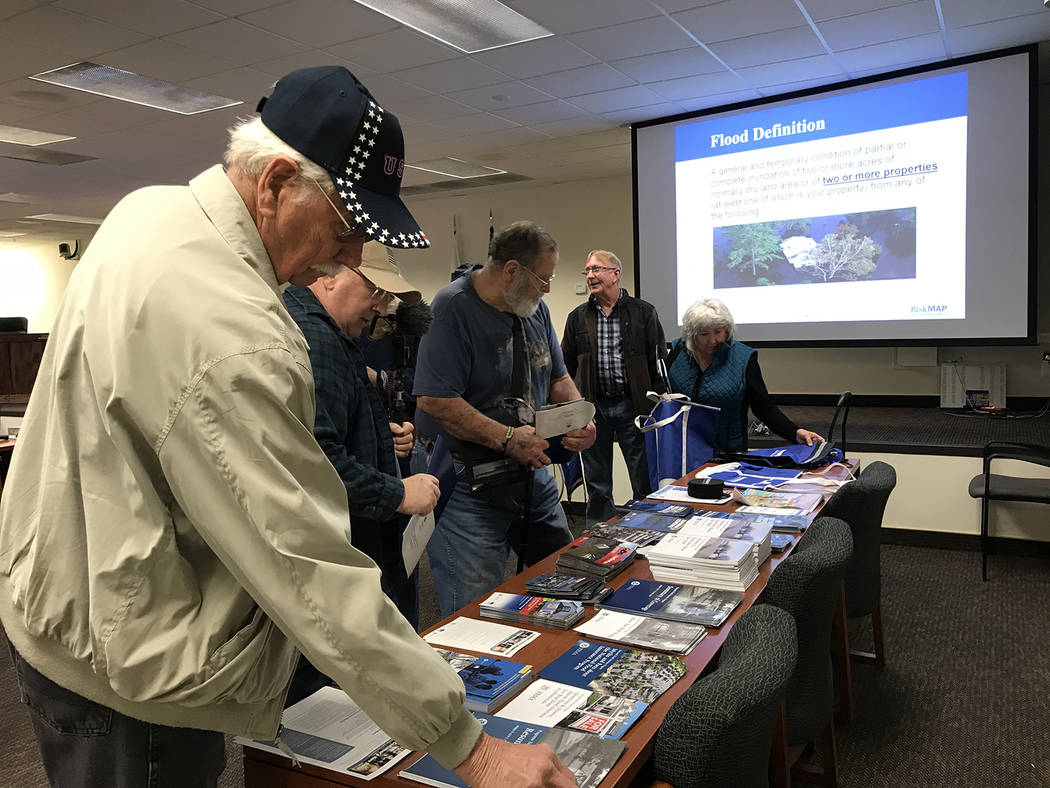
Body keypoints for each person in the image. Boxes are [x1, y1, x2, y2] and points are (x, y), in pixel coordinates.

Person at [0, 66, 574, 788]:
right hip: (130, 667)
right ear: (274, 184)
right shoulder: (235, 330)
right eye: (344, 229)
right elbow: (307, 567)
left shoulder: (147, 211)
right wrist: (474, 750)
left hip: (64, 605)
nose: (352, 258)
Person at [414, 221, 596, 617]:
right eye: (542, 278)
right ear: (512, 270)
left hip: (528, 475)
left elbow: (558, 377)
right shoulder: (452, 309)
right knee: (475, 609)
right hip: (467, 483)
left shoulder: (534, 310)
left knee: (568, 582)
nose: (547, 288)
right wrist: (509, 438)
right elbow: (435, 399)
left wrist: (579, 416)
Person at [282, 242, 434, 705]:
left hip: (340, 555)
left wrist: (377, 437)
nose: (380, 305)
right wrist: (396, 492)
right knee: (332, 699)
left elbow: (320, 428)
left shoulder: (328, 333)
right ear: (327, 275)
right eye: (372, 288)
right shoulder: (317, 339)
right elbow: (314, 461)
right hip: (338, 558)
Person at [561, 250, 667, 524]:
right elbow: (566, 365)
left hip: (634, 407)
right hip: (593, 408)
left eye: (597, 269)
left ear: (615, 274)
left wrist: (659, 401)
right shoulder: (577, 317)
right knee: (597, 481)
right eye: (587, 271)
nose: (590, 275)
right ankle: (599, 537)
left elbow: (658, 360)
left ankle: (647, 529)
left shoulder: (643, 312)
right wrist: (572, 408)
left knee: (641, 475)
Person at [668, 298, 823, 454]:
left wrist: (795, 432)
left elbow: (764, 408)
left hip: (725, 452)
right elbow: (662, 388)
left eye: (718, 332)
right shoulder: (677, 352)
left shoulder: (743, 358)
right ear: (692, 335)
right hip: (680, 449)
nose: (713, 340)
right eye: (704, 334)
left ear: (727, 330)